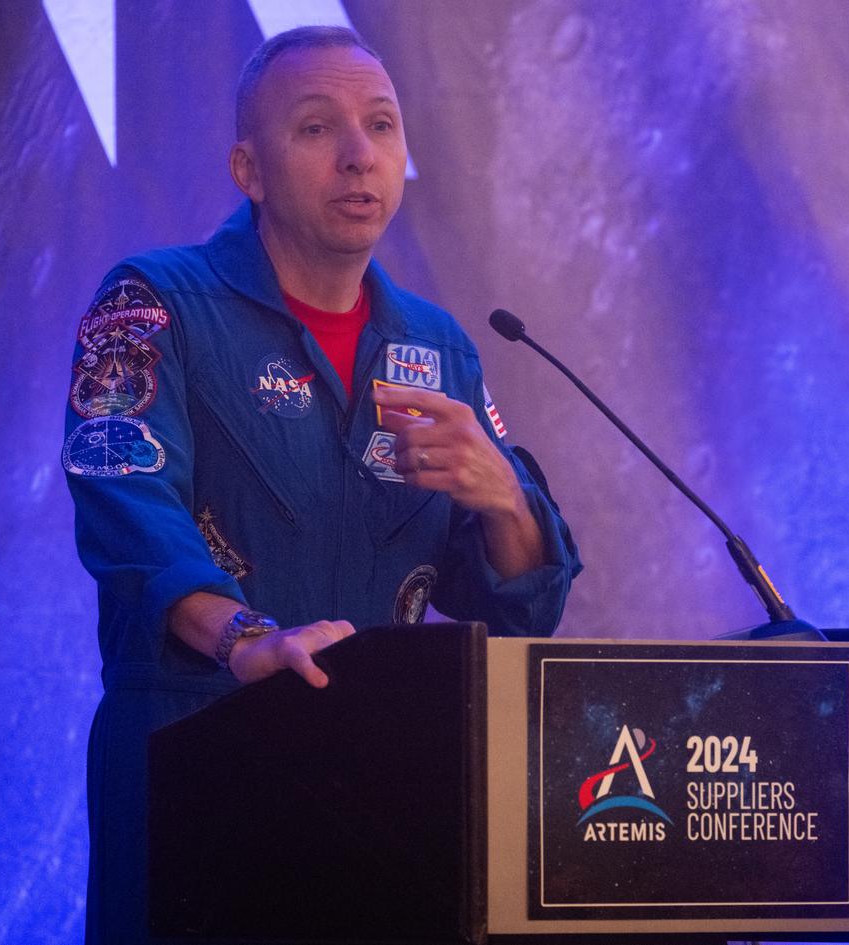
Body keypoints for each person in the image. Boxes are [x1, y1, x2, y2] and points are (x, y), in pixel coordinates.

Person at [62, 25, 581, 944]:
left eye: (381, 126)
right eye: (316, 129)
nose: (358, 155)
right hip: (200, 757)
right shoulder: (152, 304)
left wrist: (503, 496)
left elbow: (510, 606)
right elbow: (130, 516)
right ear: (247, 168)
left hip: (385, 783)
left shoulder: (437, 346)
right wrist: (249, 639)